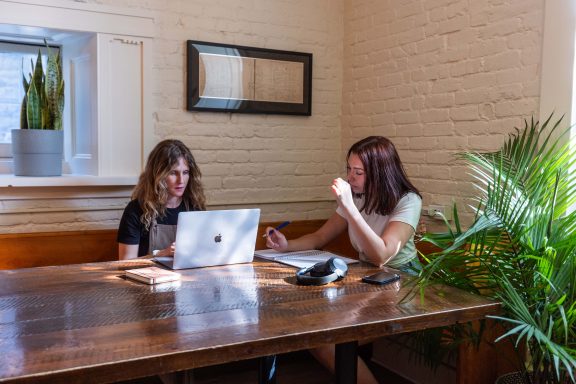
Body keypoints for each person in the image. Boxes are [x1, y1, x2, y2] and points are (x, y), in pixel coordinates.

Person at [265, 136, 422, 384]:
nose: (350, 177)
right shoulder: (358, 196)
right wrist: (287, 245)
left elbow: (382, 255)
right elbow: (319, 237)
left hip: (404, 282)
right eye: (349, 169)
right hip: (367, 279)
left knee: (327, 339)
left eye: (358, 172)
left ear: (379, 174)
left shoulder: (408, 200)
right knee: (315, 329)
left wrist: (349, 207)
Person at [117, 139, 206, 260]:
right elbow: (125, 263)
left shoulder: (194, 207)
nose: (181, 180)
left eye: (185, 172)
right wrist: (161, 254)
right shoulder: (136, 210)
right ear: (158, 175)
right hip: (148, 278)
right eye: (173, 173)